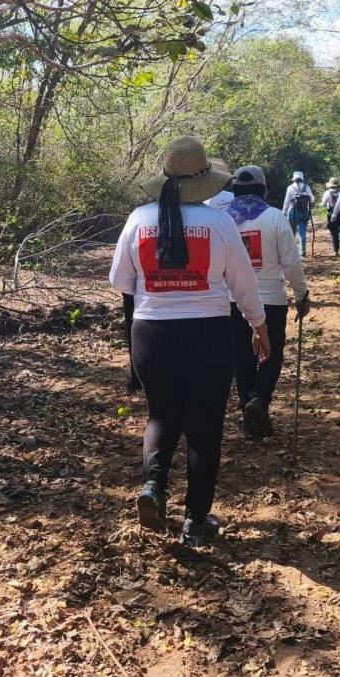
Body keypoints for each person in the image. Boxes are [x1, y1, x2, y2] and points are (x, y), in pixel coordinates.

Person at [109, 136, 270, 548]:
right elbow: (244, 285)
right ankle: (195, 521)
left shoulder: (138, 219)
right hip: (207, 334)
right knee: (204, 426)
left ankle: (153, 486)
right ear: (205, 181)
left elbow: (120, 281)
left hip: (151, 334)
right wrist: (259, 325)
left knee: (161, 414)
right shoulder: (220, 223)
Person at [226, 165, 310, 439]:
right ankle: (259, 398)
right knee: (271, 354)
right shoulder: (275, 217)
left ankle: (248, 409)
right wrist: (301, 294)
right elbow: (291, 263)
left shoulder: (222, 221)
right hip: (271, 299)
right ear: (263, 189)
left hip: (233, 300)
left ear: (234, 190)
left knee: (241, 356)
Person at [281, 171, 315, 256]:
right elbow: (312, 199)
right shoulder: (307, 187)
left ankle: (292, 252)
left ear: (294, 178)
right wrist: (310, 206)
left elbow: (286, 202)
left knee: (292, 233)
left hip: (292, 212)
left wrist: (284, 213)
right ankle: (302, 252)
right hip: (304, 212)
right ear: (302, 178)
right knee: (302, 232)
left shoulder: (290, 188)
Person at [320, 177, 340, 255]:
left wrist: (321, 205)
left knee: (334, 232)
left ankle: (336, 249)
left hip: (331, 213)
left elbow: (323, 204)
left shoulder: (327, 193)